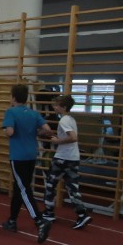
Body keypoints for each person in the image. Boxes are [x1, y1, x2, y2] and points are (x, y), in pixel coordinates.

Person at [2, 84, 53, 243]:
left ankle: (39, 221)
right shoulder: (33, 113)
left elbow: (9, 132)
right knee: (19, 188)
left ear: (13, 98)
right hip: (31, 155)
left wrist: (7, 131)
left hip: (18, 156)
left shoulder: (11, 112)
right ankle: (12, 220)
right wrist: (34, 132)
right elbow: (48, 129)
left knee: (24, 189)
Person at [42, 95, 92, 229]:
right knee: (72, 188)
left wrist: (58, 141)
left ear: (63, 107)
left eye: (56, 105)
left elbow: (73, 138)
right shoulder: (71, 119)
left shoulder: (63, 120)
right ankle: (82, 214)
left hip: (63, 158)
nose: (54, 107)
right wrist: (56, 137)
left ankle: (48, 212)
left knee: (50, 185)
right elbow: (69, 137)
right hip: (73, 158)